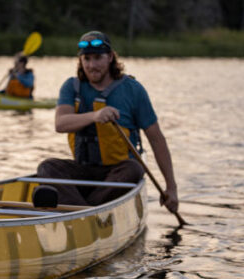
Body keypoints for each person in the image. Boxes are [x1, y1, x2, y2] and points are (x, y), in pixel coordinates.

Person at [36, 31, 179, 214]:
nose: (91, 65)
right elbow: (61, 124)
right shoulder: (71, 86)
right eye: (86, 59)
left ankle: (78, 210)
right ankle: (87, 211)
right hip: (84, 171)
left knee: (135, 168)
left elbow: (156, 138)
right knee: (47, 167)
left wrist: (171, 187)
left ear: (110, 57)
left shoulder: (133, 90)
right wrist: (94, 116)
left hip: (117, 172)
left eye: (97, 58)